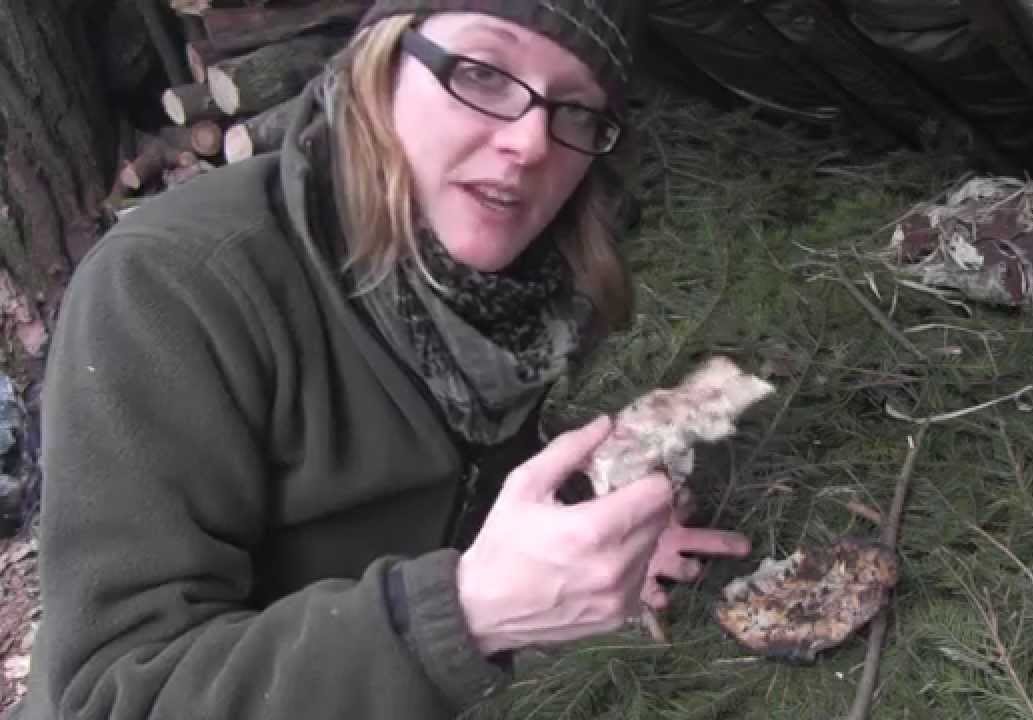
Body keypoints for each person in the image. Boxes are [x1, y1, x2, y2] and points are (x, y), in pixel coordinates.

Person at [17, 2, 751, 718]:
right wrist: (463, 615)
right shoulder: (174, 287)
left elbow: (454, 489)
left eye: (576, 110)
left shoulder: (520, 290)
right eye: (483, 73)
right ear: (382, 66)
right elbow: (116, 694)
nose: (531, 143)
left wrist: (584, 537)